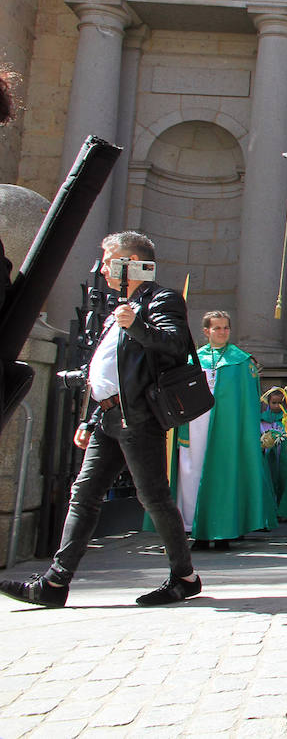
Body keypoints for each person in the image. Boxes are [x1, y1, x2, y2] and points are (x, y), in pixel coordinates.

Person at [1, 231, 201, 608]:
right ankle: (55, 583)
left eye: (111, 260)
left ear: (133, 262)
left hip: (139, 417)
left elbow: (176, 345)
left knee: (153, 498)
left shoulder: (162, 299)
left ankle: (184, 577)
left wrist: (136, 325)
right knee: (84, 495)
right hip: (109, 417)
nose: (104, 269)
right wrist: (92, 418)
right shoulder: (120, 307)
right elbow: (112, 371)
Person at [165, 310, 276, 548]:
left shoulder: (241, 361)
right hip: (195, 425)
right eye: (217, 328)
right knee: (192, 472)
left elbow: (247, 402)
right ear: (206, 331)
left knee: (224, 474)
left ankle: (224, 530)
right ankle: (196, 529)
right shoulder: (192, 359)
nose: (223, 332)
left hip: (227, 428)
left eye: (226, 327)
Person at [261, 387, 287, 522]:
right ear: (268, 403)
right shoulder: (263, 419)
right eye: (273, 403)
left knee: (284, 480)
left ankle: (283, 510)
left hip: (284, 457)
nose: (277, 406)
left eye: (280, 403)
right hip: (269, 457)